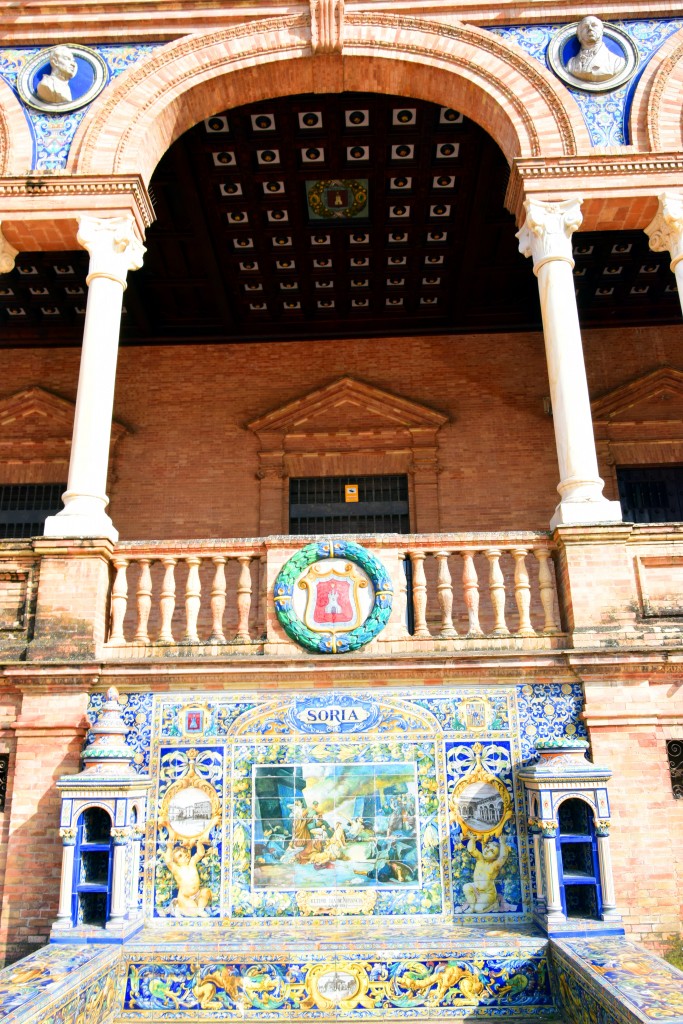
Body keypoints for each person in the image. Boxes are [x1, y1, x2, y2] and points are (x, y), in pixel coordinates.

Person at [163, 839, 215, 917]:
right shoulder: (177, 869)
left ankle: (200, 910)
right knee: (193, 912)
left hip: (197, 893)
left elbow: (200, 854)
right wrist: (169, 848)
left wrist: (199, 843)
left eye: (184, 852)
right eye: (180, 856)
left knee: (206, 892)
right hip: (185, 897)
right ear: (176, 861)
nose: (184, 855)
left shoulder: (192, 863)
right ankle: (182, 907)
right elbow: (168, 862)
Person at [566, 17, 625, 82]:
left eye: (594, 25)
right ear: (579, 34)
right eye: (585, 26)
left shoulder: (616, 62)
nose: (590, 29)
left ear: (601, 31)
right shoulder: (571, 64)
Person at [461, 835, 509, 913]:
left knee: (478, 910)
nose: (487, 850)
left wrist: (502, 843)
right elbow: (471, 850)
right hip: (476, 888)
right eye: (487, 847)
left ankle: (494, 904)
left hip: (488, 893)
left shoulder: (494, 865)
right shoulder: (480, 859)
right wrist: (473, 839)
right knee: (466, 887)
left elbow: (503, 857)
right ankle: (471, 907)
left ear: (495, 857)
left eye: (492, 851)